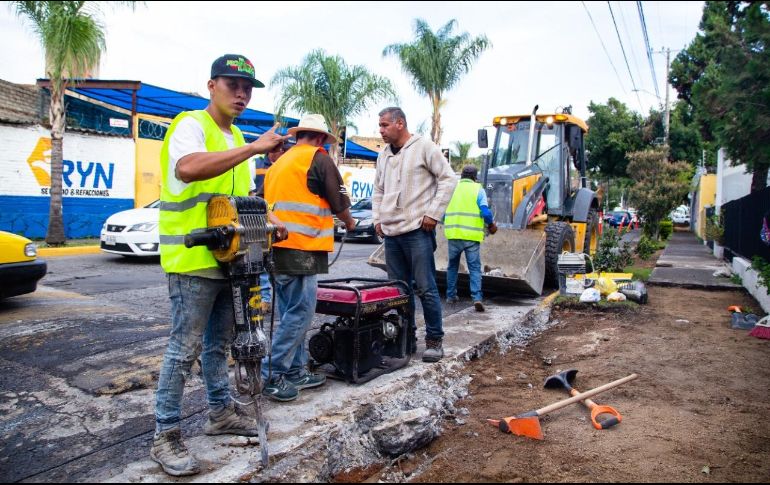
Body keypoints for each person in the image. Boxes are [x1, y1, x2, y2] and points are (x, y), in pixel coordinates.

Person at [152, 54, 289, 477]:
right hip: (193, 259)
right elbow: (188, 169)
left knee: (219, 345)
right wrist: (253, 148)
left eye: (248, 87)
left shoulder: (238, 139)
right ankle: (165, 435)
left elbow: (243, 200)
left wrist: (270, 220)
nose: (242, 94)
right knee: (184, 349)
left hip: (233, 261)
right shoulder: (191, 125)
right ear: (212, 86)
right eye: (233, 85)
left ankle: (220, 412)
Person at [262, 113, 355, 402]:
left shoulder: (280, 163)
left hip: (276, 248)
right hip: (300, 248)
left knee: (291, 313)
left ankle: (295, 371)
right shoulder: (318, 159)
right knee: (300, 314)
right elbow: (340, 200)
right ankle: (272, 373)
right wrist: (350, 222)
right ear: (320, 138)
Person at [373, 107, 457, 363]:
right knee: (398, 292)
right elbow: (378, 190)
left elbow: (448, 179)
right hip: (392, 234)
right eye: (380, 125)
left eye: (385, 125)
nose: (381, 130)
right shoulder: (383, 155)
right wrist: (377, 219)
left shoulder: (424, 147)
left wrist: (433, 213)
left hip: (418, 231)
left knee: (426, 288)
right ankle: (405, 340)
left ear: (400, 123)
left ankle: (434, 341)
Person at [444, 165, 498, 312]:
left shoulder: (452, 189)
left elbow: (443, 212)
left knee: (452, 266)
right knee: (474, 268)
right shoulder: (478, 189)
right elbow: (485, 212)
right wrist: (491, 225)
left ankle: (450, 296)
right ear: (475, 177)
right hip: (471, 237)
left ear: (462, 176)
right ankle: (476, 298)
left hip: (453, 234)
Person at [252, 141, 291, 315]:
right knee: (260, 262)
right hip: (259, 220)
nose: (283, 155)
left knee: (272, 265)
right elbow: (256, 195)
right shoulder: (258, 165)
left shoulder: (283, 167)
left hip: (277, 223)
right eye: (282, 151)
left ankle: (269, 298)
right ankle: (265, 299)